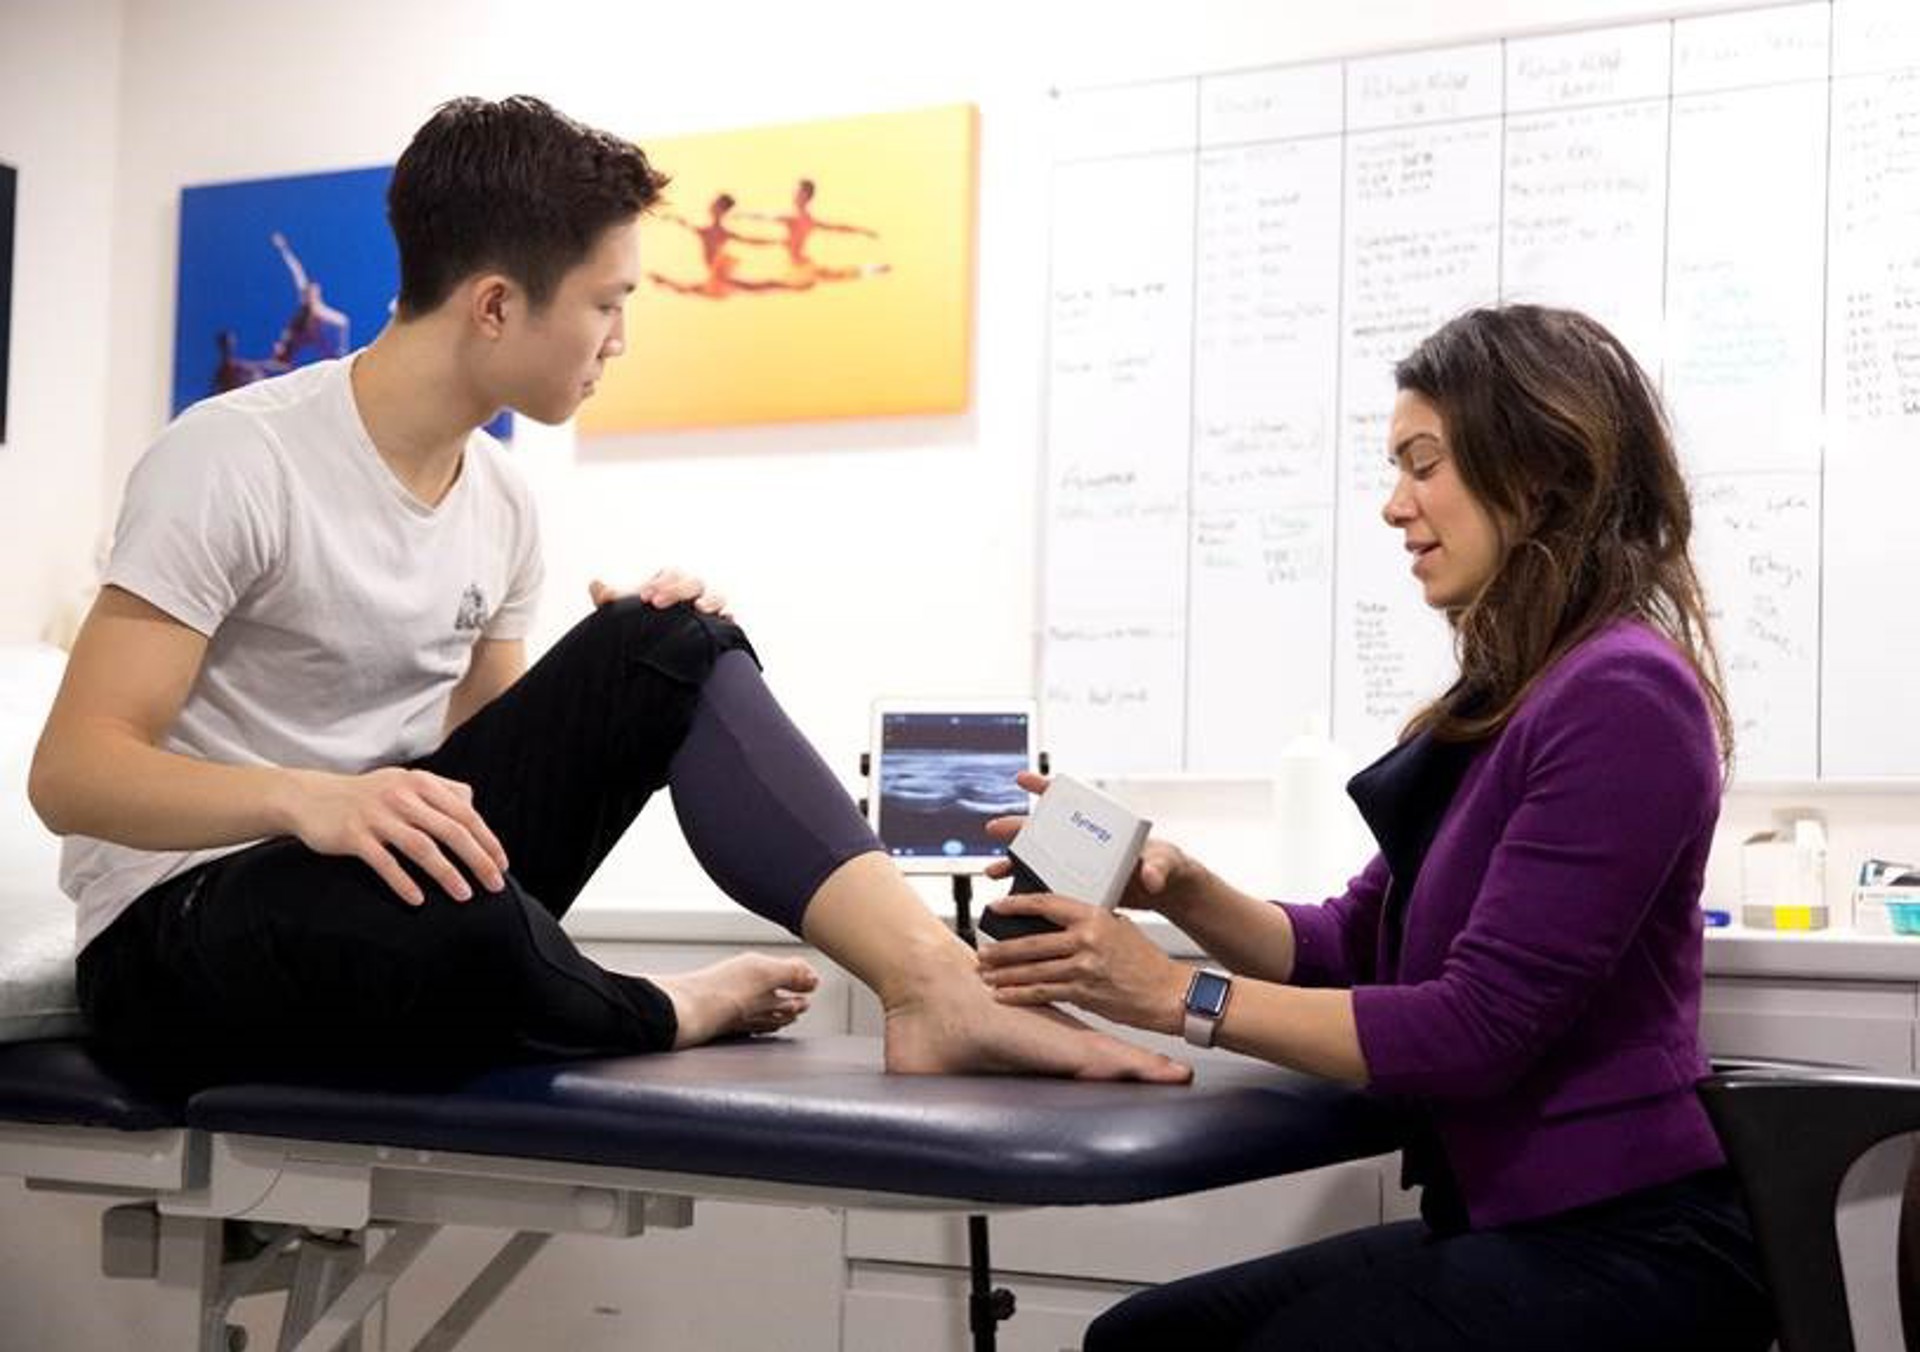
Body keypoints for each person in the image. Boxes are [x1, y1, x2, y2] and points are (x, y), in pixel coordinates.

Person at [28, 95, 1187, 1094]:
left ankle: (933, 987)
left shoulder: (502, 500)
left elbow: (479, 791)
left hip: (378, 899)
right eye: (606, 302)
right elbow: (72, 773)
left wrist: (618, 671)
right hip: (177, 939)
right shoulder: (234, 458)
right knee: (469, 925)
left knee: (669, 636)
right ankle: (664, 1004)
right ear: (493, 305)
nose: (620, 339)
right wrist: (306, 800)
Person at [976, 306, 1776, 1351]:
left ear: (1536, 463)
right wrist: (1180, 888)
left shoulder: (1623, 694)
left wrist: (1175, 992)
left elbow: (1476, 1030)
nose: (1396, 505)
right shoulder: (1507, 700)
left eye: (1424, 463)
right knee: (1144, 1340)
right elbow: (1354, 944)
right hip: (1506, 1224)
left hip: (1633, 1240)